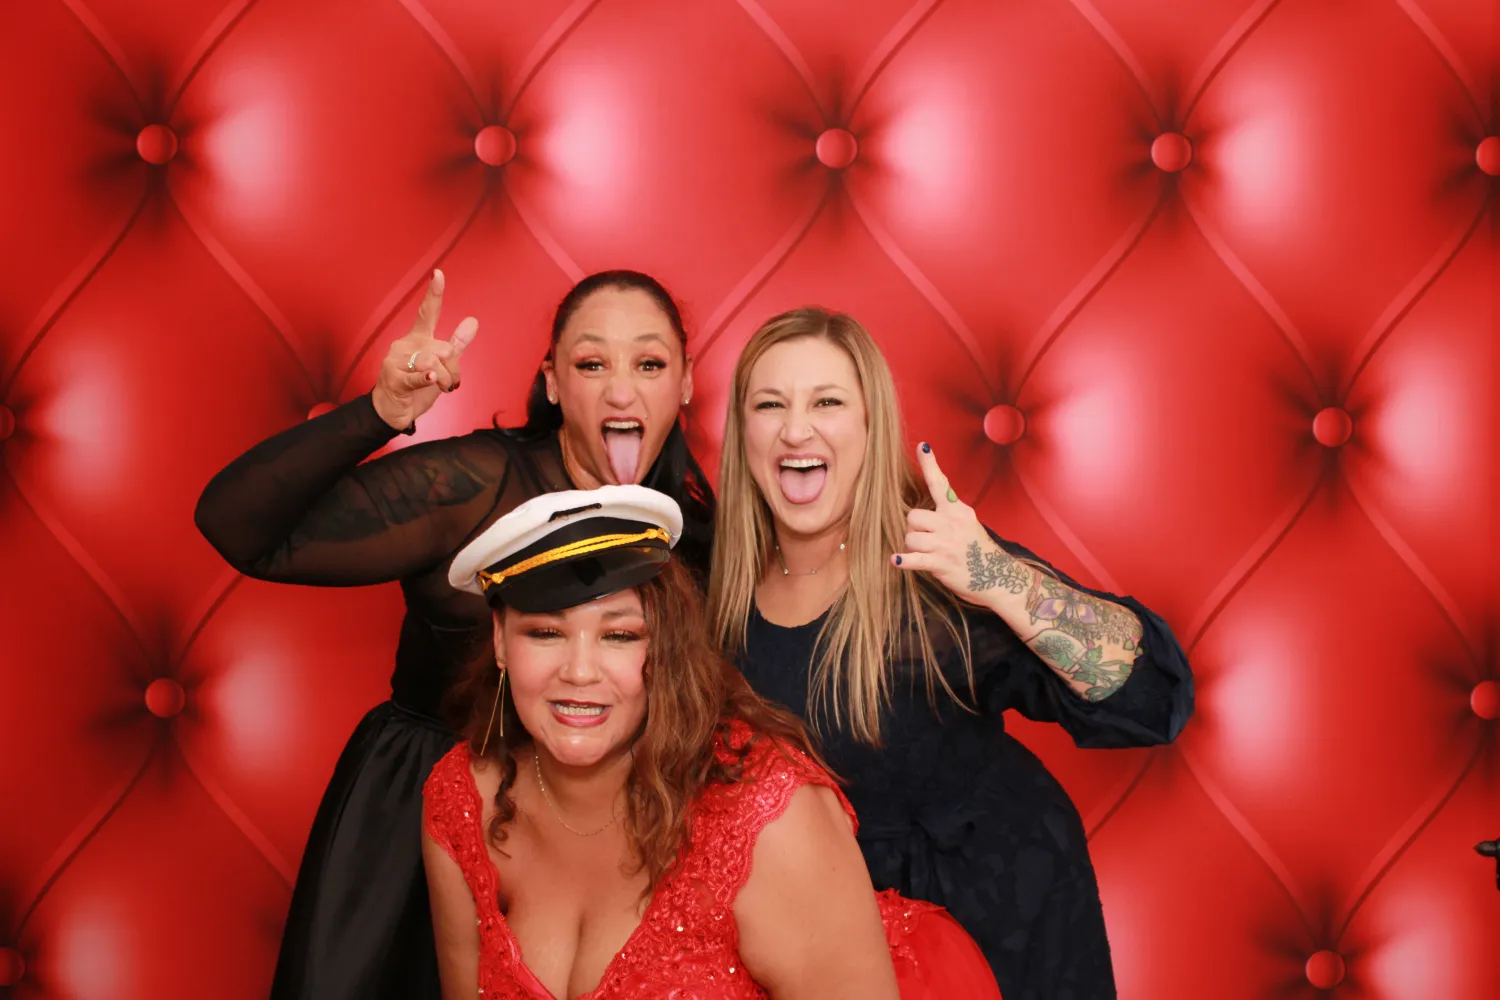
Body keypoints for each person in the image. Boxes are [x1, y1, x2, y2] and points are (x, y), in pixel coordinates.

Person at [192, 269, 715, 1000]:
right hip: (414, 820)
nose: (621, 391)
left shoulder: (701, 539)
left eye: (650, 364)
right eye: (592, 363)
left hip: (601, 852)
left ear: (686, 384)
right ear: (555, 383)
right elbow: (237, 526)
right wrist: (380, 411)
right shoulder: (474, 487)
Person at [706, 307, 1195, 1000]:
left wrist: (999, 577)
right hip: (812, 950)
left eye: (828, 402)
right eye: (770, 405)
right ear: (743, 432)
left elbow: (1149, 700)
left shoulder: (938, 562)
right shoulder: (714, 594)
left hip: (996, 929)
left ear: (871, 427)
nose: (795, 429)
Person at [424, 484, 1003, 999]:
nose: (579, 671)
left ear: (666, 648)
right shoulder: (459, 799)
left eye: (620, 635)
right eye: (545, 633)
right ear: (501, 642)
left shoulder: (769, 819)